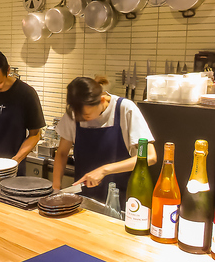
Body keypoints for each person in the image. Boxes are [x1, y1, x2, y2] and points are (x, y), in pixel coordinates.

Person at [52, 75, 156, 208]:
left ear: (101, 100)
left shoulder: (124, 109)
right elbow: (61, 153)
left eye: (87, 115)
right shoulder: (76, 112)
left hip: (120, 201)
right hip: (83, 201)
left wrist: (104, 170)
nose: (82, 119)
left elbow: (150, 157)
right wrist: (56, 190)